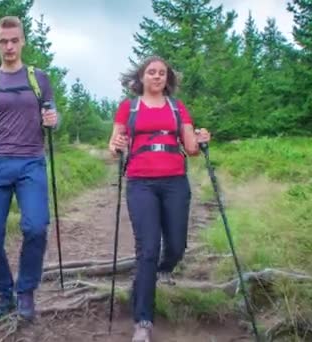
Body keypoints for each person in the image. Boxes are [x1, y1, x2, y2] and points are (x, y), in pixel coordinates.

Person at [108, 55, 211, 342]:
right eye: (151, 72)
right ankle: (143, 321)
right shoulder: (128, 108)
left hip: (175, 182)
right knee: (148, 249)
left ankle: (163, 270)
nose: (156, 77)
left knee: (177, 245)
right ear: (141, 77)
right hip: (141, 183)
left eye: (162, 73)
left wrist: (202, 140)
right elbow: (113, 146)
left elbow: (190, 148)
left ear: (167, 78)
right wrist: (116, 146)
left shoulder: (178, 108)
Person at [0, 16, 58, 323]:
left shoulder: (38, 78)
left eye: (14, 40)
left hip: (31, 161)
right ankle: (4, 292)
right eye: (3, 41)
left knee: (36, 227)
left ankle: (26, 290)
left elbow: (52, 116)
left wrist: (54, 121)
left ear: (23, 42)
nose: (9, 46)